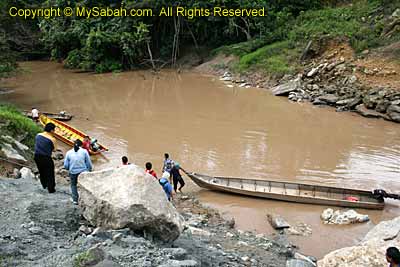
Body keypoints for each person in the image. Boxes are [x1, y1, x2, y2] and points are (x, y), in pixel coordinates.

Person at [64, 139, 93, 205]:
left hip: (73, 172)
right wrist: (90, 170)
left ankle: (75, 200)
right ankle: (85, 200)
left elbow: (66, 165)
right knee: (84, 186)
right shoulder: (84, 151)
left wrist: (69, 169)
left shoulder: (68, 152)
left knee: (73, 185)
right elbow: (88, 163)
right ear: (81, 145)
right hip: (83, 172)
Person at [34, 122, 57, 193]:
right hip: (46, 157)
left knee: (42, 171)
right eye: (54, 130)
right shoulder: (52, 139)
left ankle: (44, 185)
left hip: (37, 156)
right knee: (50, 173)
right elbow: (54, 149)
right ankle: (51, 189)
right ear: (51, 130)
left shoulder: (38, 135)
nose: (54, 131)